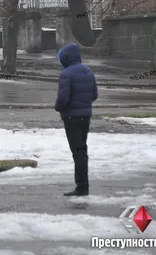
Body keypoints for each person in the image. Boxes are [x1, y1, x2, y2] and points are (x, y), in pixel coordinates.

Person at [55, 43, 98, 197]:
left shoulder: (66, 74)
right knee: (82, 150)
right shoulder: (88, 71)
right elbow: (94, 95)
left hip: (71, 117)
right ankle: (83, 185)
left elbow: (63, 98)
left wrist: (58, 107)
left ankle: (81, 187)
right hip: (85, 116)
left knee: (78, 152)